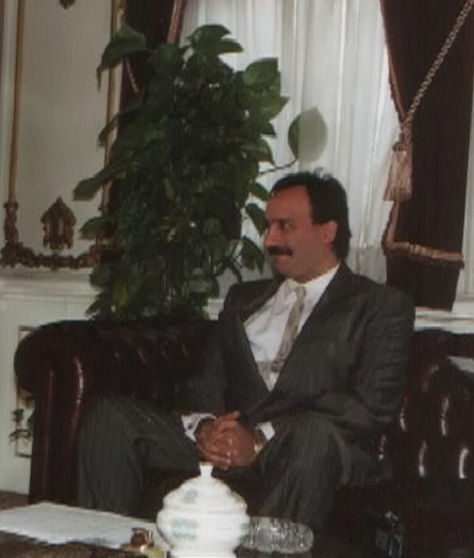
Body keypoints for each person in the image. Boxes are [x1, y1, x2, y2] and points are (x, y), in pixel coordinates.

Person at [77, 170, 414, 533]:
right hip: (229, 440)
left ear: (327, 231)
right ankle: (101, 548)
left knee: (313, 439)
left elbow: (367, 408)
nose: (270, 239)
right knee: (110, 417)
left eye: (285, 226)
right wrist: (206, 427)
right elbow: (202, 387)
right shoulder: (243, 300)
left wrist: (258, 439)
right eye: (268, 226)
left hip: (305, 448)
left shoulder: (378, 305)